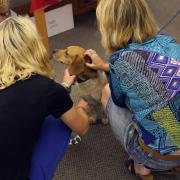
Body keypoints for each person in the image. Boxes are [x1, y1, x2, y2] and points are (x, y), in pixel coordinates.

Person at [85, 0, 180, 179]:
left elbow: (119, 100)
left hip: (161, 157)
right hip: (177, 135)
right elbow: (147, 68)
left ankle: (141, 167)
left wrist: (111, 68)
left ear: (108, 26)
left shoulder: (119, 61)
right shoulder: (169, 42)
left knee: (107, 93)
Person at [0, 16, 90, 180]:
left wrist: (62, 87)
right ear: (35, 46)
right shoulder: (46, 89)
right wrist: (82, 108)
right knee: (58, 121)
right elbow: (82, 127)